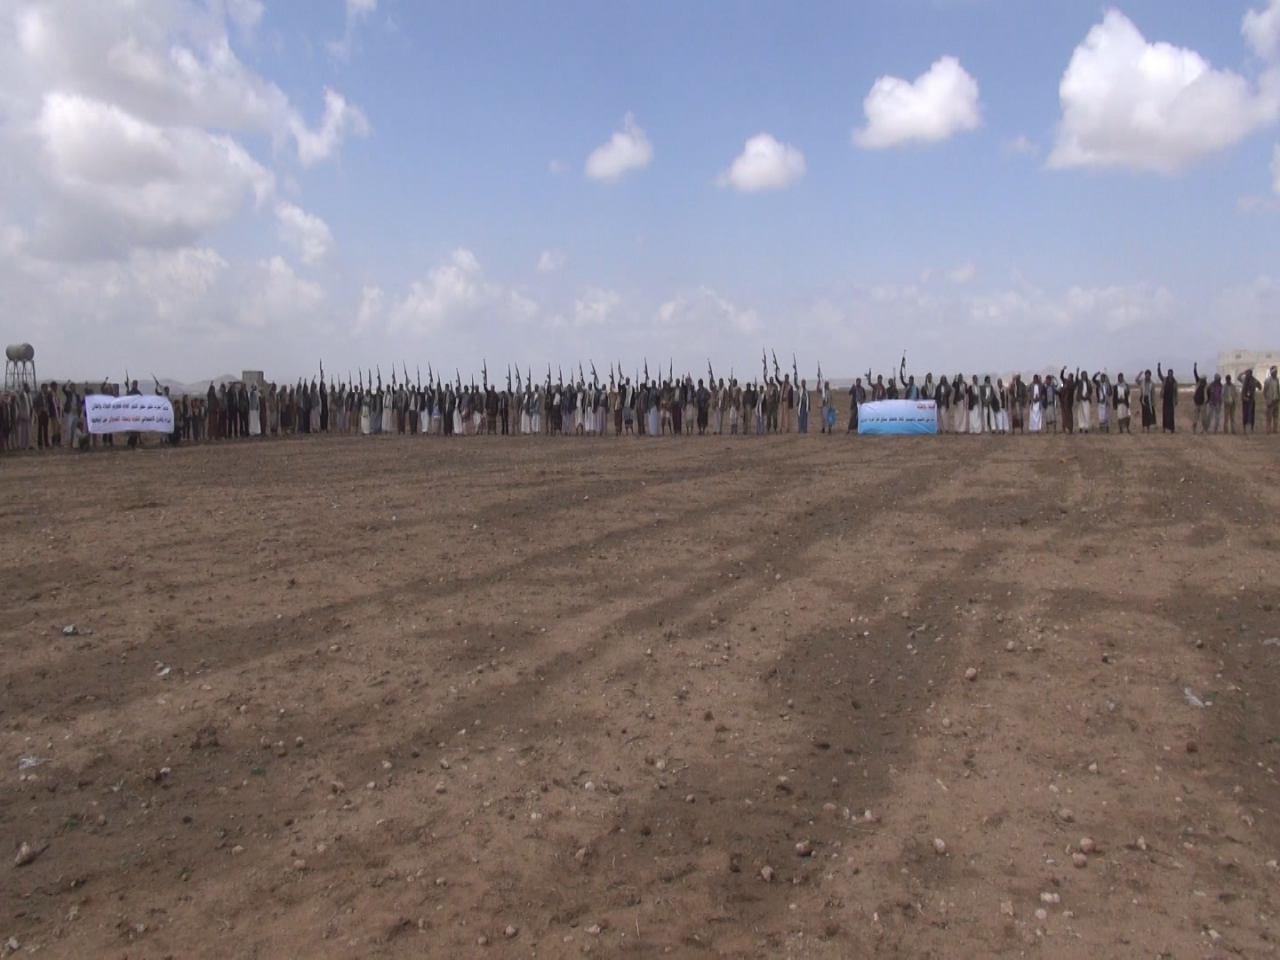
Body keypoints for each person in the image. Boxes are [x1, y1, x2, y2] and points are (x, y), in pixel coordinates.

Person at [1158, 364, 1177, 433]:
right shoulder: (1165, 380)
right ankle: (1164, 428)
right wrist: (1159, 368)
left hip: (1171, 400)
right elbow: (1160, 375)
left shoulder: (1175, 382)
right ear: (1168, 374)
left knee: (1171, 415)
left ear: (1172, 374)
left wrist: (1176, 400)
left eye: (1171, 373)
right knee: (1165, 414)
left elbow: (1176, 392)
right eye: (1169, 373)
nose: (1170, 374)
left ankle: (1172, 429)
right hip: (1165, 399)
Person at [1240, 368, 1259, 434]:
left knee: (1251, 414)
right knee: (1245, 414)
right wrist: (1243, 372)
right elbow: (1238, 377)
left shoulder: (1254, 380)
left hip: (1251, 400)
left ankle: (1251, 428)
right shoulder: (1244, 380)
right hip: (1245, 399)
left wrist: (1256, 385)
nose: (1247, 375)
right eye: (1246, 373)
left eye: (1248, 373)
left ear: (1251, 374)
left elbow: (1260, 386)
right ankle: (1244, 428)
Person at [1265, 366, 1280, 434]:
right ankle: (1268, 430)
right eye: (1275, 372)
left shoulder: (1277, 380)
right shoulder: (1267, 381)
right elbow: (1265, 391)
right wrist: (1267, 400)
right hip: (1270, 401)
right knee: (1269, 417)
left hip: (1276, 400)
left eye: (1276, 372)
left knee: (1276, 416)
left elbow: (1278, 389)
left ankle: (1275, 430)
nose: (1276, 373)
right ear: (1271, 372)